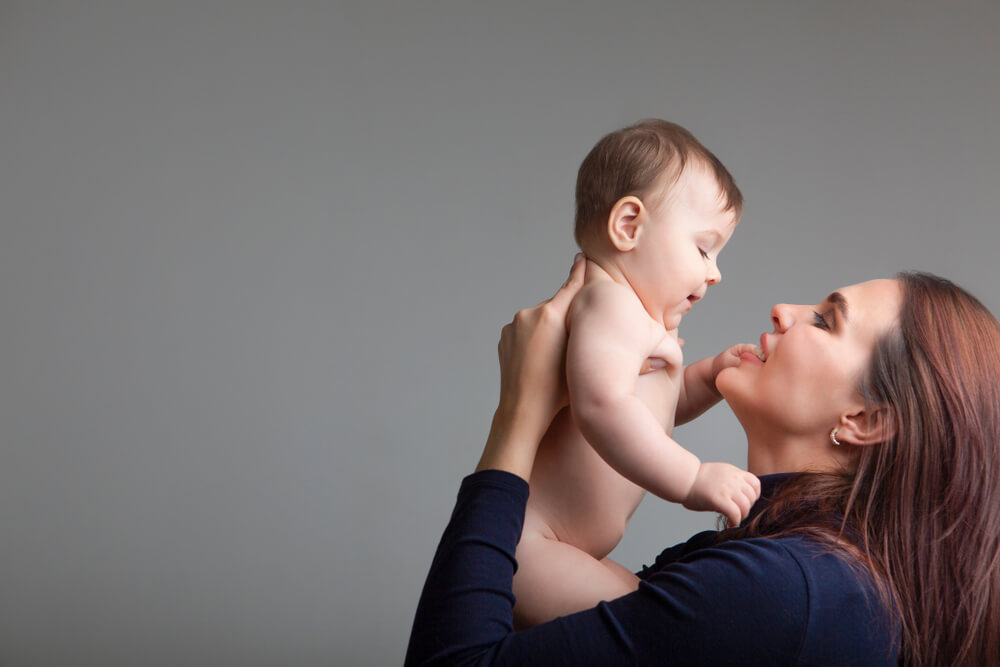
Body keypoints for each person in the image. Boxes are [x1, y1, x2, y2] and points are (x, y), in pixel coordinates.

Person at [405, 255, 1000, 665]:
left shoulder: (789, 591)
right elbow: (536, 588)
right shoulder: (797, 579)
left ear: (865, 420)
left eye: (824, 320)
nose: (782, 310)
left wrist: (519, 416)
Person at [514, 120, 759, 627]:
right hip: (534, 547)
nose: (715, 272)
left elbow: (652, 411)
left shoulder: (630, 319)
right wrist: (691, 478)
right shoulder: (610, 303)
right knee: (657, 626)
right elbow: (603, 406)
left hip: (563, 547)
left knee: (650, 612)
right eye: (703, 248)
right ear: (629, 226)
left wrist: (708, 376)